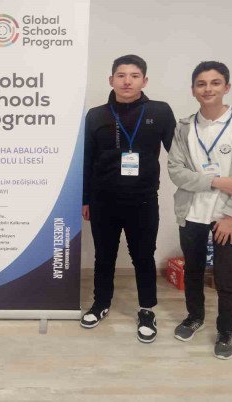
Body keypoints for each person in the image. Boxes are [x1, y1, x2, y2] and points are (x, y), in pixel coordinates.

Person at [168, 61, 232, 359]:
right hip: (192, 212)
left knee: (227, 278)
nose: (208, 89)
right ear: (193, 89)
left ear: (227, 87)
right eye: (201, 83)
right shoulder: (184, 127)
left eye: (215, 82)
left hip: (227, 216)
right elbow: (176, 171)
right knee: (193, 272)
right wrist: (216, 181)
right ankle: (194, 316)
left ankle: (226, 329)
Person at [82, 55, 176, 342]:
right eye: (121, 75)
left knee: (143, 256)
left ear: (144, 81)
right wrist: (85, 199)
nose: (127, 81)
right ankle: (101, 303)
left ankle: (147, 310)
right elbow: (87, 160)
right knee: (104, 256)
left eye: (134, 76)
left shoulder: (160, 111)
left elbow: (179, 154)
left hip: (143, 200)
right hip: (103, 200)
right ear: (111, 80)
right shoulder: (96, 115)